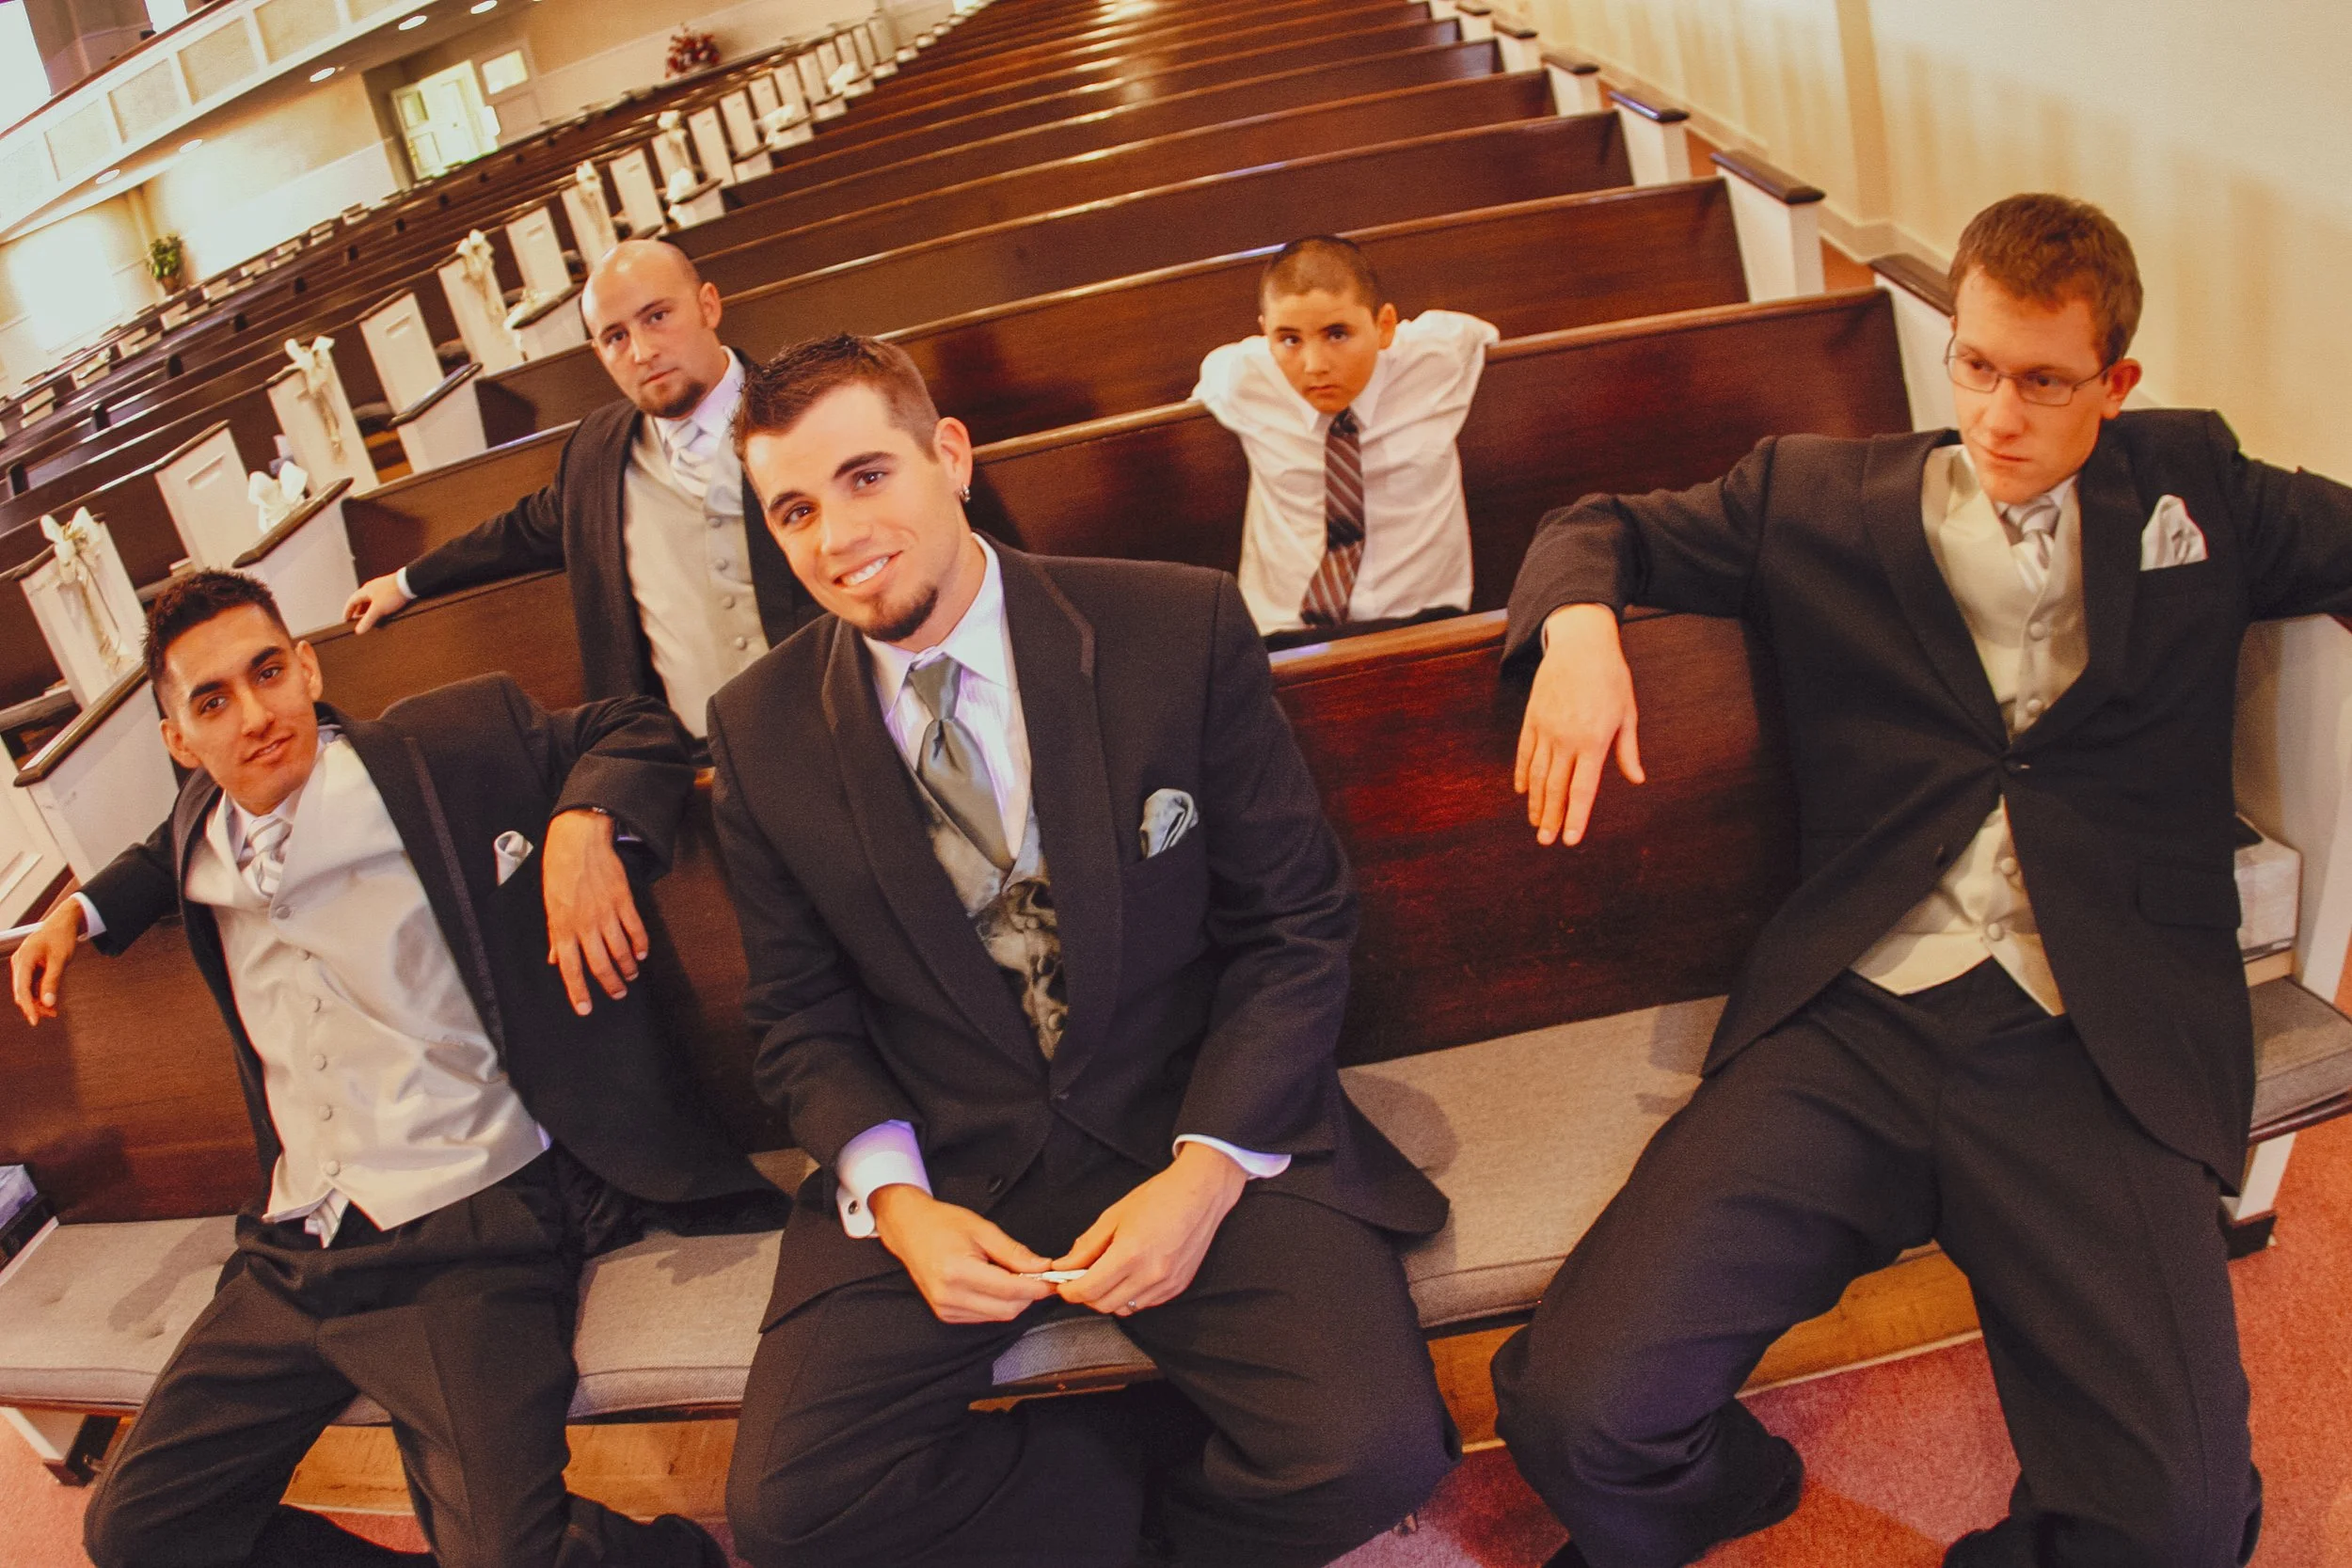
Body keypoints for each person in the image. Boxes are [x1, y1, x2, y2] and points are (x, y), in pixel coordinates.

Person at [1489, 192, 2352, 1568]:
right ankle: (1732, 1490)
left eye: (2044, 380)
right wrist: (1582, 629)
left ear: (2115, 383)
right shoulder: (1817, 495)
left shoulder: (2199, 483)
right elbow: (1596, 521)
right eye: (1976, 363)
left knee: (2180, 1526)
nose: (2000, 411)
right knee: (1577, 1405)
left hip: (2099, 1033)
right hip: (1859, 1018)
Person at [708, 333, 1456, 1568]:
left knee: (1371, 1445)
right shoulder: (760, 730)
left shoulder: (1171, 623)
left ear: (949, 456)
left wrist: (1210, 1167)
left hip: (1185, 1104)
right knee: (794, 1507)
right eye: (793, 508)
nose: (836, 537)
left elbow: (1294, 924)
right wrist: (899, 1209)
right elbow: (797, 1016)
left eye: (865, 476)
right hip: (946, 1152)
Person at [11, 570, 777, 1568]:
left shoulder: (444, 750)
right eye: (212, 702)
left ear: (308, 664)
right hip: (296, 1246)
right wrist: (87, 908)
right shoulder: (203, 825)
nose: (255, 715)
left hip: (468, 1222)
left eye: (269, 672)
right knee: (138, 1529)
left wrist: (584, 819)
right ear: (178, 742)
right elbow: (168, 849)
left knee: (507, 1550)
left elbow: (639, 725)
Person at [342, 239, 819, 738]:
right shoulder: (596, 453)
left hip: (825, 727)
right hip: (695, 756)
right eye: (615, 337)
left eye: (657, 316)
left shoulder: (803, 414)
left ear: (708, 305)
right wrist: (404, 583)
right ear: (598, 351)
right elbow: (518, 534)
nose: (642, 351)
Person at [1192, 234, 1498, 645]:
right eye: (1289, 340)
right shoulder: (1239, 378)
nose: (1315, 366)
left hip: (1426, 616)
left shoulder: (1438, 355)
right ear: (1266, 335)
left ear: (1384, 326)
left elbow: (1483, 334)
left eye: (1337, 334)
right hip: (1284, 630)